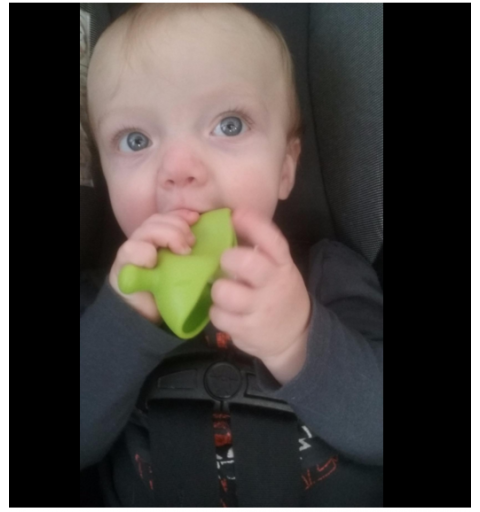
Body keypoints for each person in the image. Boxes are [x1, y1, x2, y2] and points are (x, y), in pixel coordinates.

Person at [80, 3, 383, 506]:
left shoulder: (330, 275)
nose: (179, 168)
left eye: (229, 125)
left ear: (286, 168)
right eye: (136, 139)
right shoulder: (103, 301)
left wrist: (298, 340)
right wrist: (121, 326)